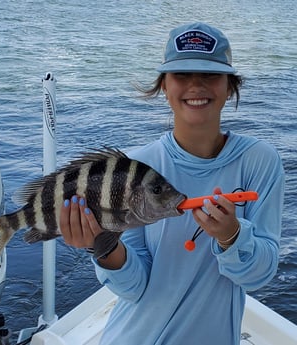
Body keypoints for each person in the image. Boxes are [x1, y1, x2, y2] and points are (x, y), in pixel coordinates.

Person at [59, 22, 285, 345]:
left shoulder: (260, 163)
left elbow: (259, 274)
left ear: (229, 86)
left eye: (210, 74)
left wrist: (231, 236)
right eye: (181, 75)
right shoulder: (136, 169)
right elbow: (134, 287)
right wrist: (104, 246)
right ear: (164, 86)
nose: (196, 85)